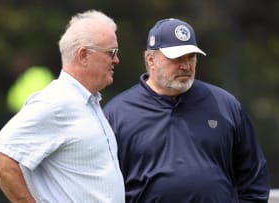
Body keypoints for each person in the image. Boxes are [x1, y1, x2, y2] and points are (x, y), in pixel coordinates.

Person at [104, 18, 270, 203]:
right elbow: (104, 188)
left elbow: (254, 180)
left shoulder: (225, 106)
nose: (186, 66)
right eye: (176, 58)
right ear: (151, 60)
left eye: (191, 56)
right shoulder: (117, 114)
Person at [0, 10, 125, 203]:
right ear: (83, 55)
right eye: (111, 52)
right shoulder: (57, 102)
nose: (116, 60)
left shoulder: (88, 101)